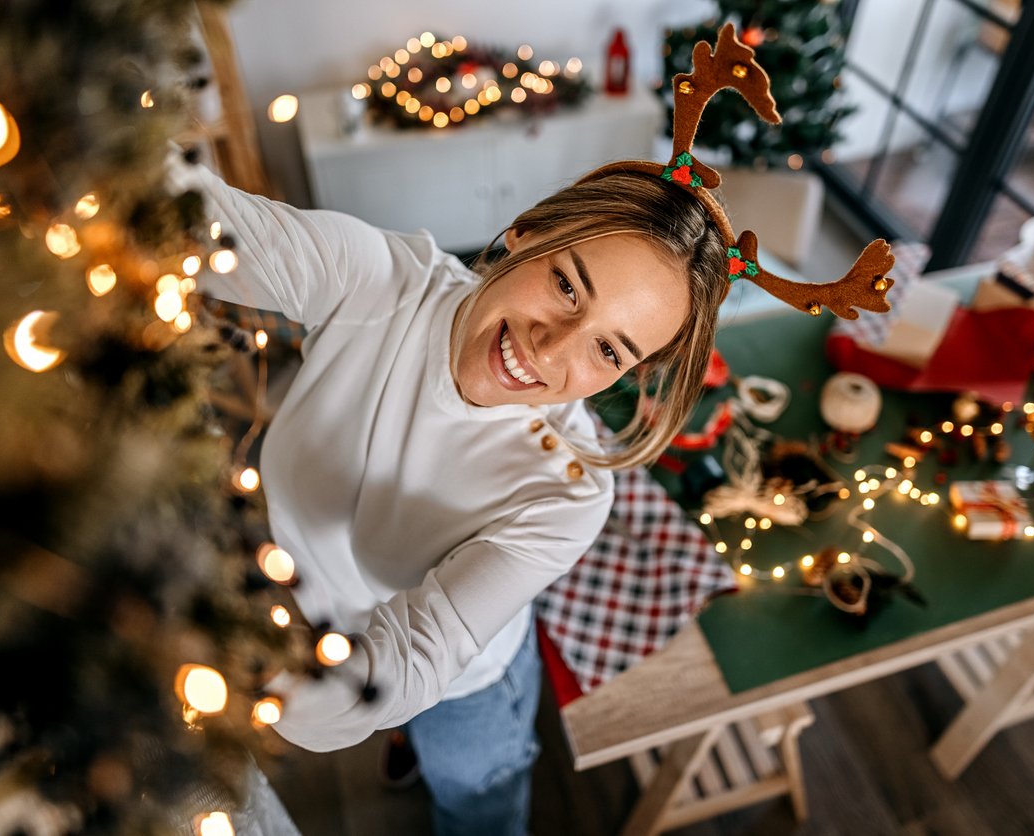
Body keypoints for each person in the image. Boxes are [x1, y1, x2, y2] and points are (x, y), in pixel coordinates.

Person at [170, 156, 729, 835]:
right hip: (305, 612)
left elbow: (419, 656)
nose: (551, 350)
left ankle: (416, 741)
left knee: (476, 802)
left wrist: (236, 679)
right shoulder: (381, 282)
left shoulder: (569, 495)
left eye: (607, 352)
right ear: (524, 234)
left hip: (469, 686)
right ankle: (401, 739)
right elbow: (191, 217)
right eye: (565, 285)